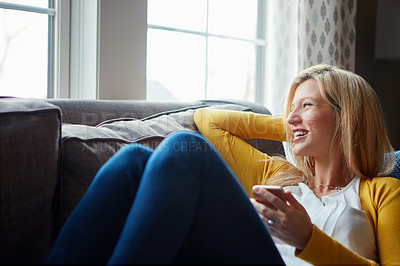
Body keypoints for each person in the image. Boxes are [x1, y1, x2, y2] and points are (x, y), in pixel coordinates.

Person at [46, 65, 400, 264]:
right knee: (133, 160)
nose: (291, 116)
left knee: (186, 146)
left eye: (306, 105)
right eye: (290, 108)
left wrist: (309, 238)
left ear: (347, 116)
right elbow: (208, 120)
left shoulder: (382, 192)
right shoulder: (276, 174)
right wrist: (293, 124)